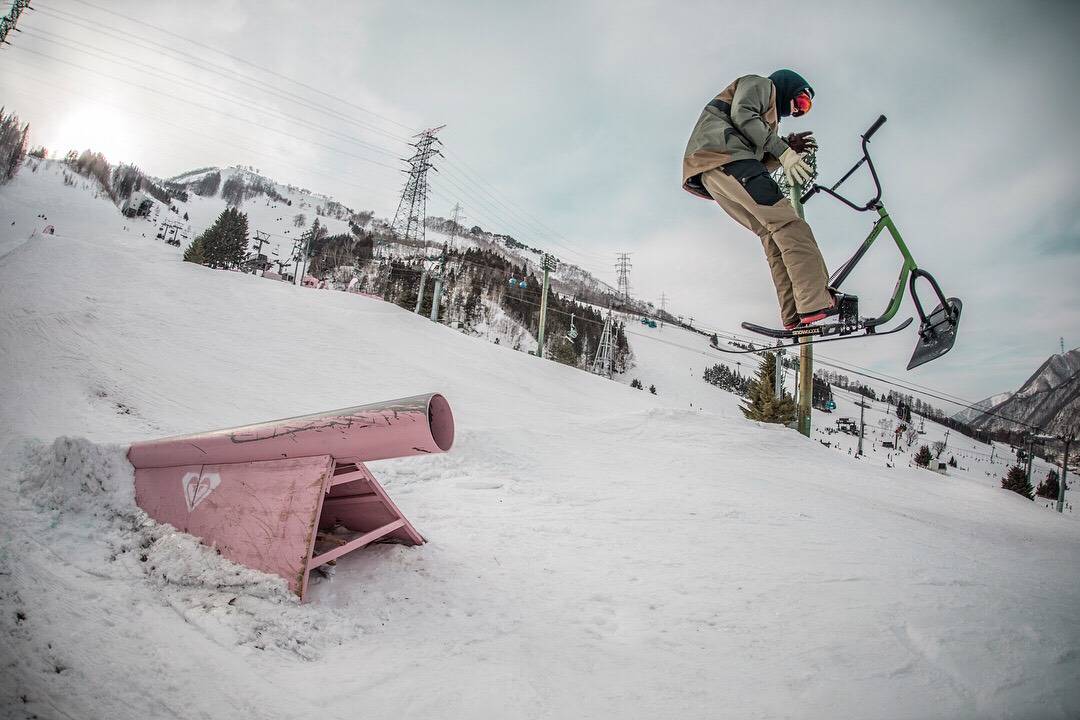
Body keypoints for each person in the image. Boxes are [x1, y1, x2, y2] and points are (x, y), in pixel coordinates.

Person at [683, 69, 836, 329]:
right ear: (788, 86)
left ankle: (794, 313)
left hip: (714, 170)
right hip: (726, 158)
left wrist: (783, 148)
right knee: (791, 225)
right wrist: (783, 151)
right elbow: (742, 115)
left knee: (771, 234)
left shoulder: (766, 124)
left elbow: (759, 164)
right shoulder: (762, 85)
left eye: (804, 111)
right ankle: (814, 302)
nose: (798, 112)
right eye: (801, 102)